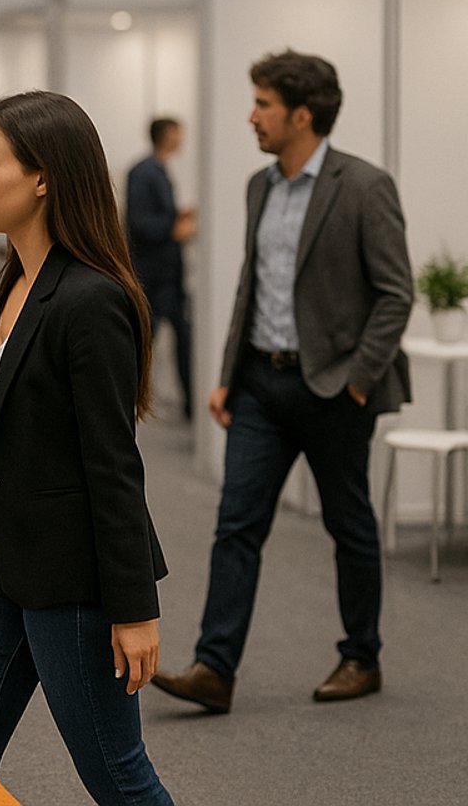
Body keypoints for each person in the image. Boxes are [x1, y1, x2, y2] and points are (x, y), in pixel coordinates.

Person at [0, 90, 171, 806]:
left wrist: (134, 610)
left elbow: (113, 467)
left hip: (76, 582)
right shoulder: (14, 284)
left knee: (119, 778)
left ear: (41, 179)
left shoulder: (92, 301)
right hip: (2, 566)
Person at [154, 50, 410, 713]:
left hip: (334, 390)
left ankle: (362, 656)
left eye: (263, 104)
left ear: (302, 114)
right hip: (261, 388)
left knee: (348, 524)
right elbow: (253, 285)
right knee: (236, 523)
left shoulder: (363, 185)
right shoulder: (259, 186)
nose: (252, 116)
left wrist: (357, 380)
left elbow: (395, 294)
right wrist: (226, 375)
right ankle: (214, 668)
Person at [126, 117, 198, 420]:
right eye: (177, 132)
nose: (182, 137)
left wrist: (178, 216)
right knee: (143, 341)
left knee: (181, 338)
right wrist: (174, 228)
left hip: (168, 275)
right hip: (152, 275)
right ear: (166, 135)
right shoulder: (144, 172)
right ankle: (127, 403)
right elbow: (139, 223)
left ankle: (189, 405)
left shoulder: (158, 169)